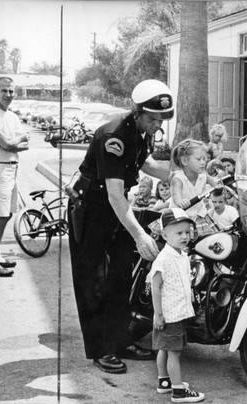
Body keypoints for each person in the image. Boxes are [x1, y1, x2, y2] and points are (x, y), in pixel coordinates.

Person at [68, 79, 174, 373]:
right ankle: (101, 349)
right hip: (92, 208)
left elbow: (142, 163)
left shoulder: (141, 132)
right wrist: (140, 235)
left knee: (120, 277)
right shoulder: (114, 136)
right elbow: (114, 193)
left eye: (161, 118)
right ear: (136, 111)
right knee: (94, 281)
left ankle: (119, 340)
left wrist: (175, 175)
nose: (157, 124)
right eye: (152, 118)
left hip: (117, 208)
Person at [150, 208, 205, 403]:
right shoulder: (163, 259)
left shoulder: (181, 254)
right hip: (169, 314)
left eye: (187, 232)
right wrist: (158, 314)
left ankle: (164, 381)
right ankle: (179, 391)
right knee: (174, 352)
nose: (184, 237)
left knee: (164, 348)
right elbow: (155, 287)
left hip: (177, 312)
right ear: (165, 235)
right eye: (178, 233)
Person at [0, 76, 29, 277]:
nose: (8, 95)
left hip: (12, 169)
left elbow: (26, 145)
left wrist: (15, 141)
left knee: (7, 214)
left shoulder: (12, 116)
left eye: (11, 91)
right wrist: (20, 137)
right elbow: (7, 144)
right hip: (0, 169)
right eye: (4, 91)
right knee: (0, 216)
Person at [169, 139, 218, 221]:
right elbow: (176, 195)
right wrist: (180, 201)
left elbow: (215, 182)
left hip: (199, 215)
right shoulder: (178, 178)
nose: (203, 163)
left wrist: (220, 182)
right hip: (181, 217)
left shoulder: (203, 175)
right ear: (184, 161)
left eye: (204, 159)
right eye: (199, 159)